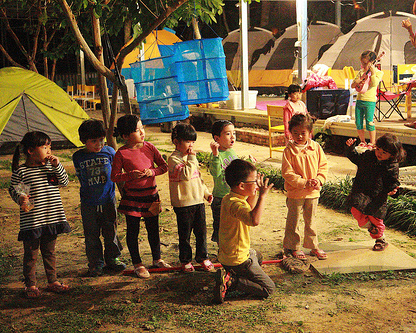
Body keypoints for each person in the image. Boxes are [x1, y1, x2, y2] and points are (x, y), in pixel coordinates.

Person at [9, 131, 71, 298]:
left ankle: (52, 281)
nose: (49, 150)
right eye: (45, 147)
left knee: (50, 252)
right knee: (31, 254)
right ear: (30, 151)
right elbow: (18, 193)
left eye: (50, 147)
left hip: (52, 217)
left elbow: (64, 182)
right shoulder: (22, 172)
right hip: (33, 220)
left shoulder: (51, 167)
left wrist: (58, 165)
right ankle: (30, 285)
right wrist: (21, 199)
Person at [111, 115, 171, 279]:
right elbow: (115, 176)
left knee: (153, 230)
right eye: (137, 130)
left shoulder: (150, 147)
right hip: (132, 198)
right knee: (133, 231)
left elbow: (164, 166)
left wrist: (152, 172)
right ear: (125, 136)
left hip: (151, 196)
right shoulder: (121, 153)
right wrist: (130, 175)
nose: (142, 133)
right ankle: (138, 264)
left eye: (142, 128)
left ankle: (157, 258)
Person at [214, 159, 275, 304]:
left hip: (230, 254)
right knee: (269, 289)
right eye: (254, 181)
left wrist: (255, 190)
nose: (257, 184)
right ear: (241, 185)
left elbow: (249, 207)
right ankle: (231, 282)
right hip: (237, 260)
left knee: (257, 256)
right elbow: (254, 220)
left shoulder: (229, 198)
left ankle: (234, 274)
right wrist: (263, 196)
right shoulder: (236, 204)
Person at [72, 119, 125, 277]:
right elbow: (81, 178)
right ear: (83, 141)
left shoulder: (109, 152)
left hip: (108, 200)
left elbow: (116, 174)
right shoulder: (78, 157)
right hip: (88, 203)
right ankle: (95, 263)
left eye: (101, 140)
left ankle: (113, 258)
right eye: (93, 141)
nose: (98, 144)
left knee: (111, 231)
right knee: (91, 234)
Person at [345, 133, 406, 251]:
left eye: (384, 153)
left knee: (376, 219)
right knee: (355, 210)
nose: (379, 154)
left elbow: (392, 182)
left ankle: (380, 239)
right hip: (361, 190)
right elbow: (355, 157)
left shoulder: (392, 165)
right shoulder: (369, 156)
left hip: (378, 196)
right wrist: (350, 148)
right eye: (378, 149)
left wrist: (394, 190)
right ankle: (369, 227)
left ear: (392, 155)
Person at [168, 123, 215, 273]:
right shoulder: (174, 160)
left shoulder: (190, 159)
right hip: (183, 204)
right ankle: (186, 260)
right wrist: (192, 158)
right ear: (176, 142)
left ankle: (203, 257)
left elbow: (198, 179)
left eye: (193, 142)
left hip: (197, 201)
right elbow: (186, 175)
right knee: (185, 234)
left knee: (201, 232)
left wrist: (206, 193)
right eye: (188, 142)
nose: (191, 146)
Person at [281, 114, 328, 260]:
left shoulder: (316, 147)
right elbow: (287, 172)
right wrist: (302, 182)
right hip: (295, 192)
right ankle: (293, 247)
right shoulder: (289, 150)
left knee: (311, 220)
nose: (299, 136)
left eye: (303, 133)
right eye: (295, 133)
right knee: (293, 221)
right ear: (290, 133)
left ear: (310, 132)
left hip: (313, 192)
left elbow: (323, 166)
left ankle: (313, 246)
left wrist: (319, 180)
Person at [209, 120, 238, 243]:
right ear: (217, 138)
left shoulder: (231, 152)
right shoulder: (216, 155)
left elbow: (236, 171)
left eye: (234, 133)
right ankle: (223, 252)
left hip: (233, 195)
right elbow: (215, 173)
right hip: (221, 198)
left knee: (233, 226)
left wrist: (248, 162)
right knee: (221, 228)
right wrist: (215, 155)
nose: (232, 137)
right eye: (227, 134)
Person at [350, 50, 383, 149]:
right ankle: (362, 141)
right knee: (358, 122)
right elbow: (353, 85)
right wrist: (358, 81)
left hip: (370, 101)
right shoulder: (361, 72)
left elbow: (374, 84)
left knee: (369, 121)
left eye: (365, 63)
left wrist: (372, 73)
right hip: (360, 100)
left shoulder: (378, 73)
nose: (363, 65)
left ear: (372, 62)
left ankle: (372, 142)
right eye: (362, 63)